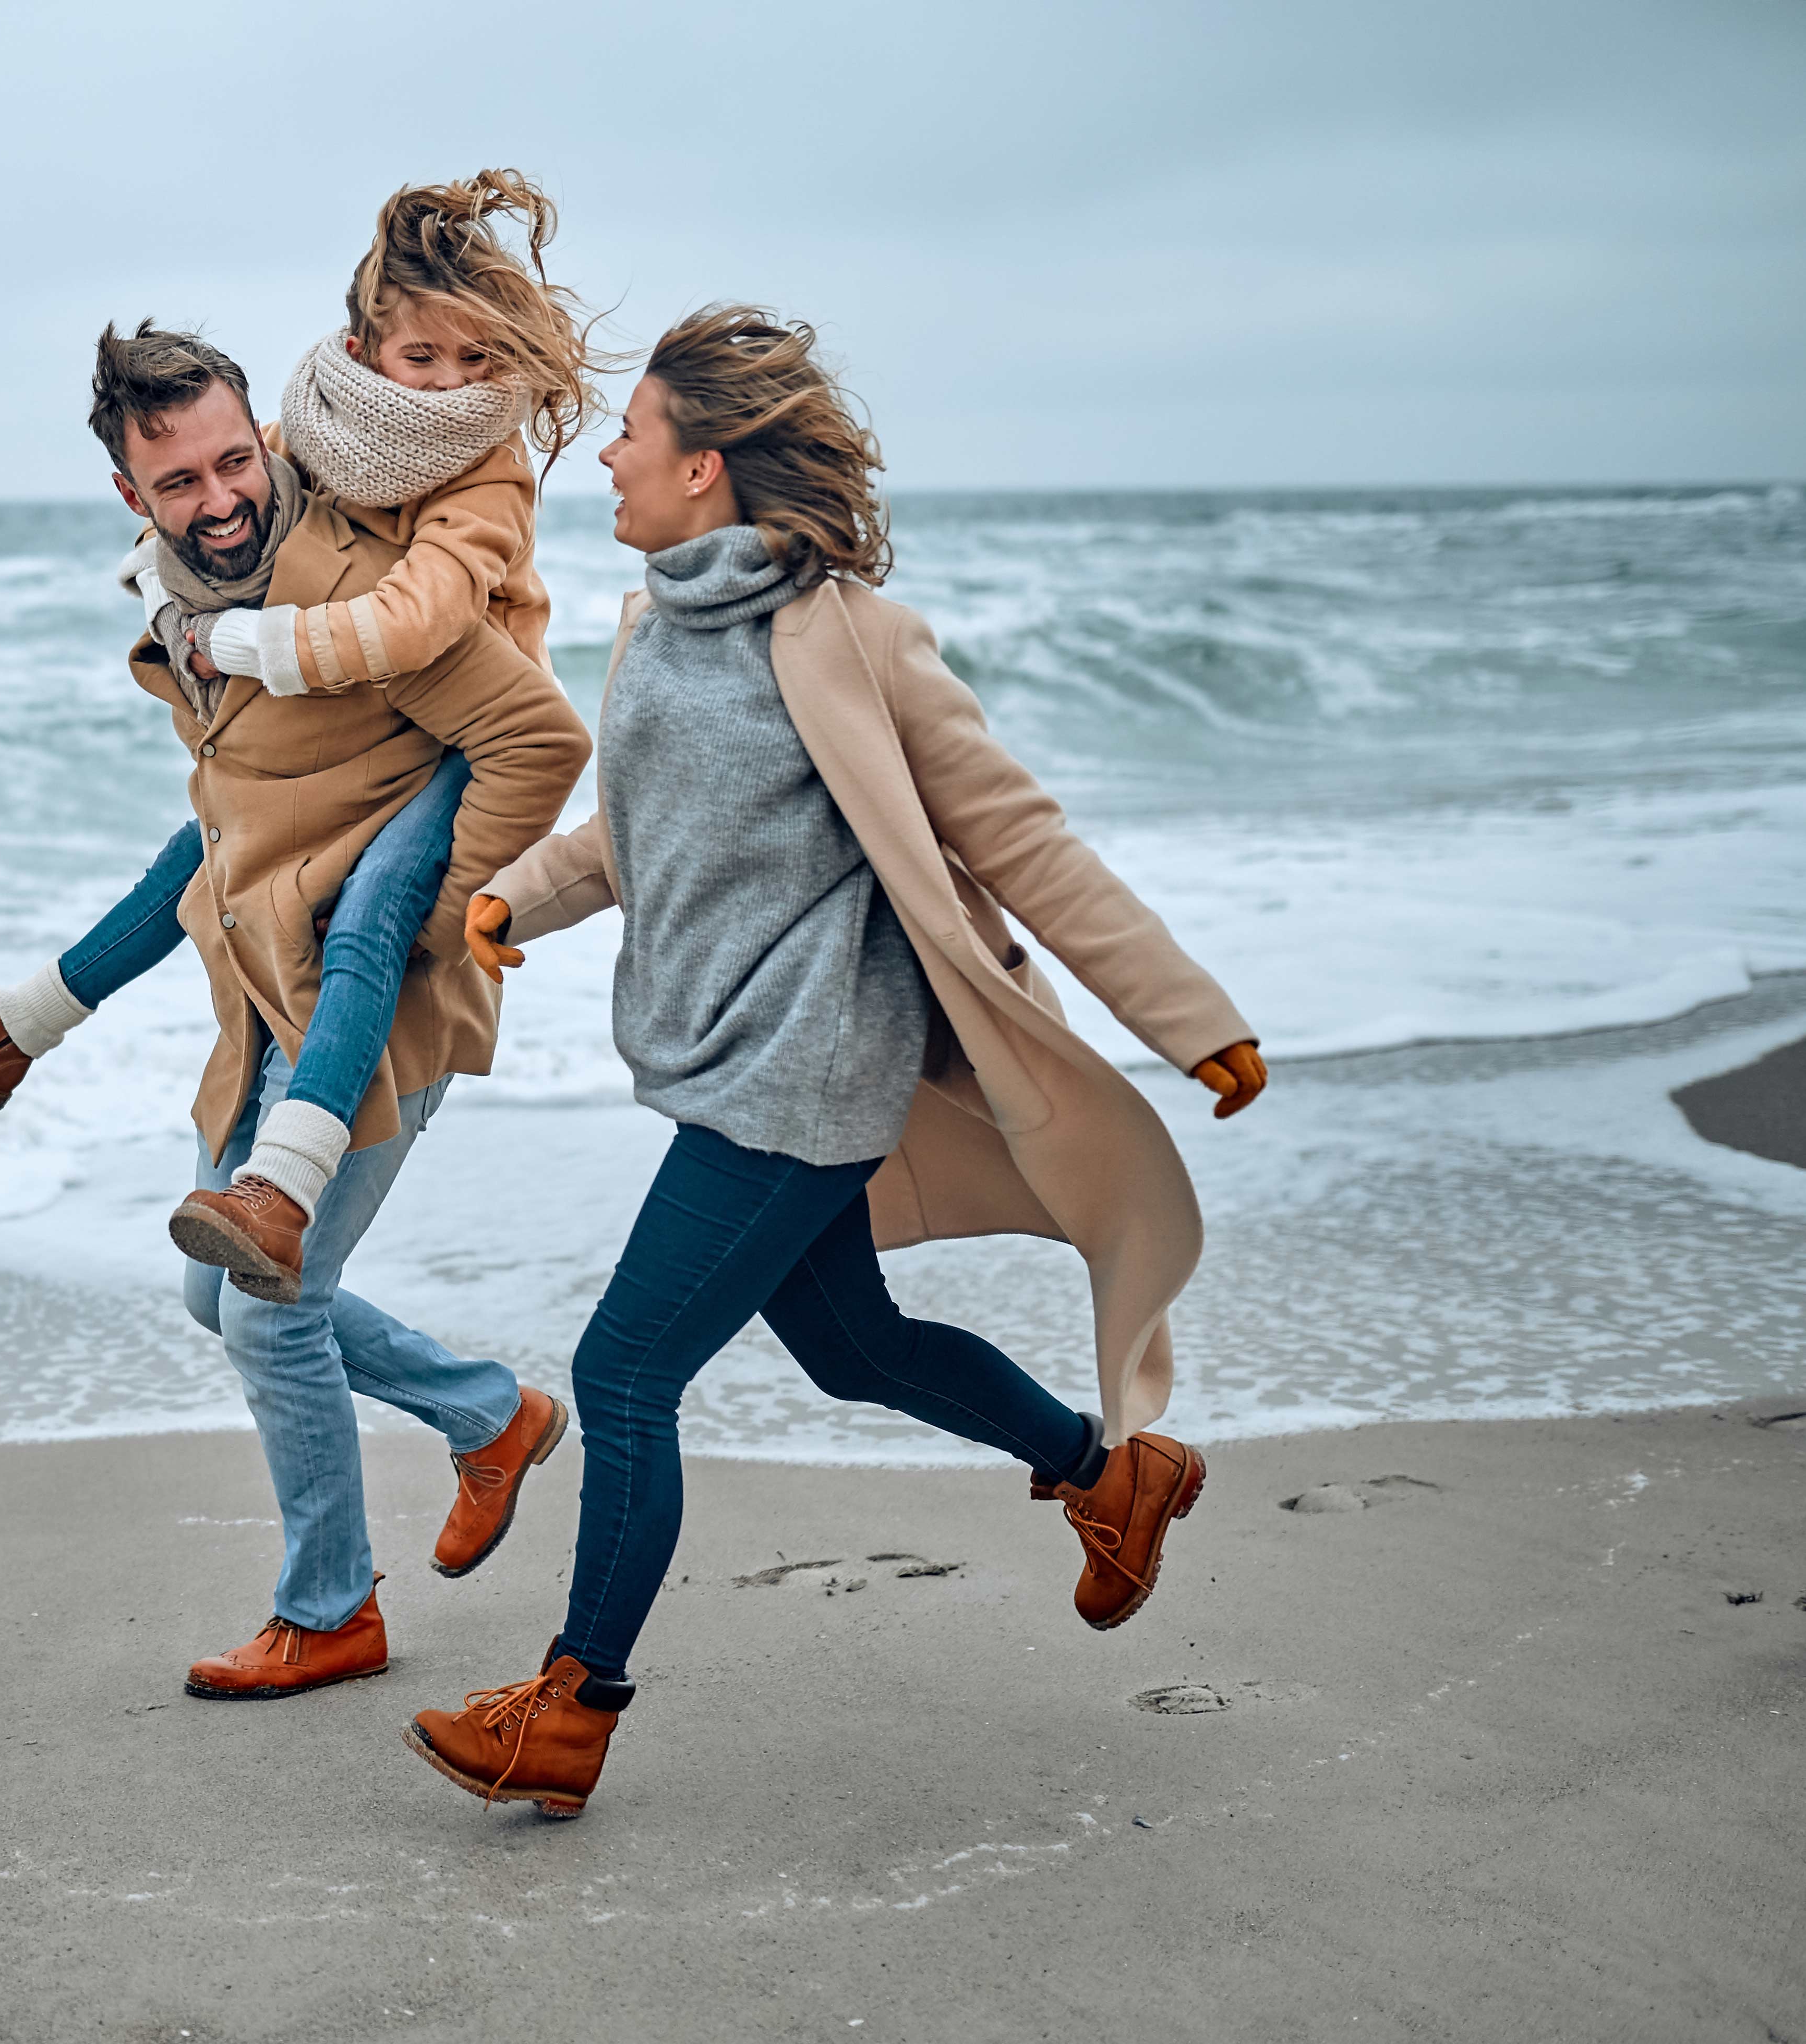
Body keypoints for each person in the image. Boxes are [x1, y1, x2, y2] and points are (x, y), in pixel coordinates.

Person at [403, 308, 1270, 1818]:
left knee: (621, 1373)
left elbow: (1013, 829)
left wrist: (1184, 1015)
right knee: (849, 1348)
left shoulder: (848, 636)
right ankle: (1107, 1475)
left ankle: (569, 1707)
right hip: (719, 1047)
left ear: (706, 464)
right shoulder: (656, 619)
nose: (605, 455)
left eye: (631, 432)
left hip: (810, 1064)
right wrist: (515, 895)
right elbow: (646, 824)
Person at [0, 321, 594, 1699]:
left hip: (376, 1001)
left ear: (264, 438)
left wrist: (435, 919)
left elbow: (540, 738)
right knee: (219, 1296)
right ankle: (486, 1416)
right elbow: (225, 823)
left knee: (272, 1310)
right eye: (177, 484)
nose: (218, 502)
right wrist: (46, 1001)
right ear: (129, 498)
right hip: (270, 991)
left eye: (233, 464)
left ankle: (329, 1611)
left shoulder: (355, 591)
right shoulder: (179, 601)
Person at [0, 170, 598, 1304]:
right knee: (204, 844)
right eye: (424, 359)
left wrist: (243, 642)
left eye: (475, 361)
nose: (452, 385)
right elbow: (245, 501)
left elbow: (429, 621)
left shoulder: (483, 465)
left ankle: (285, 1183)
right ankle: (15, 1026)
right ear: (363, 354)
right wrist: (171, 598)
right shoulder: (322, 431)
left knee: (372, 917)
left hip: (458, 738)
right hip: (363, 705)